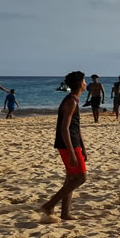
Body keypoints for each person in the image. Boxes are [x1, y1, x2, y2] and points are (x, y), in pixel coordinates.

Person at [41, 71, 88, 223]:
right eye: (84, 81)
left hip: (74, 143)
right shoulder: (71, 102)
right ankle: (49, 205)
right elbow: (64, 128)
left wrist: (83, 147)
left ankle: (65, 213)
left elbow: (76, 127)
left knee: (70, 178)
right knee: (81, 178)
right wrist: (72, 153)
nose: (86, 83)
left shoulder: (74, 100)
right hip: (68, 145)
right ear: (80, 84)